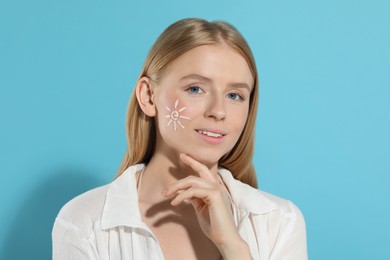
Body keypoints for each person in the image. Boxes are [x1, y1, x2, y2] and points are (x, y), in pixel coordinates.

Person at [52, 18, 307, 260]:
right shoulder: (86, 221)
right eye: (195, 89)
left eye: (235, 95)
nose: (219, 111)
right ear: (149, 97)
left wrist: (233, 246)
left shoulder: (279, 221)